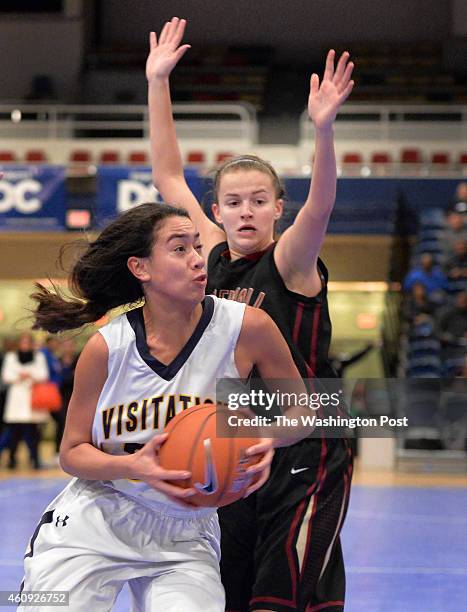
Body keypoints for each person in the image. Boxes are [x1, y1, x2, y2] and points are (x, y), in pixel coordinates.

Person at [147, 17, 354, 612]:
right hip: (234, 438)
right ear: (216, 209)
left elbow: (321, 205)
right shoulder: (209, 253)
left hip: (305, 436)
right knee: (230, 590)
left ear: (275, 209)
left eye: (259, 202)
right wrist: (158, 81)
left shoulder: (290, 260)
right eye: (233, 202)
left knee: (283, 591)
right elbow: (166, 173)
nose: (245, 212)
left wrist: (324, 129)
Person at [21, 202, 311, 612]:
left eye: (197, 246)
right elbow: (71, 453)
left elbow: (305, 412)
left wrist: (266, 435)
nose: (198, 260)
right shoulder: (107, 348)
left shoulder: (248, 327)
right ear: (141, 269)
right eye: (179, 249)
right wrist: (133, 466)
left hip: (186, 531)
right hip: (98, 519)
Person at [1, 332, 48, 469]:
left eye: (28, 342)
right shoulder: (11, 357)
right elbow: (6, 375)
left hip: (33, 399)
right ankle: (11, 459)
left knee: (33, 433)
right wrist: (19, 376)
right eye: (23, 342)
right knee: (13, 433)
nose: (25, 345)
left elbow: (44, 375)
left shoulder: (39, 357)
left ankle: (35, 459)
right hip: (16, 399)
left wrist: (31, 375)